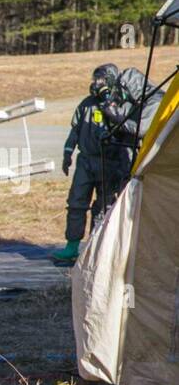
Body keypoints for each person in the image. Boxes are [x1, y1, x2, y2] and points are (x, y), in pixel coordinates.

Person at [53, 64, 128, 266]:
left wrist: (109, 105)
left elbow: (126, 129)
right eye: (95, 79)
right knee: (76, 203)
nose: (96, 84)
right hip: (85, 161)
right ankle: (71, 247)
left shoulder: (120, 104)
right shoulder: (86, 104)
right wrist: (67, 154)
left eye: (101, 80)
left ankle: (96, 249)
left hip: (110, 163)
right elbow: (75, 130)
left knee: (103, 207)